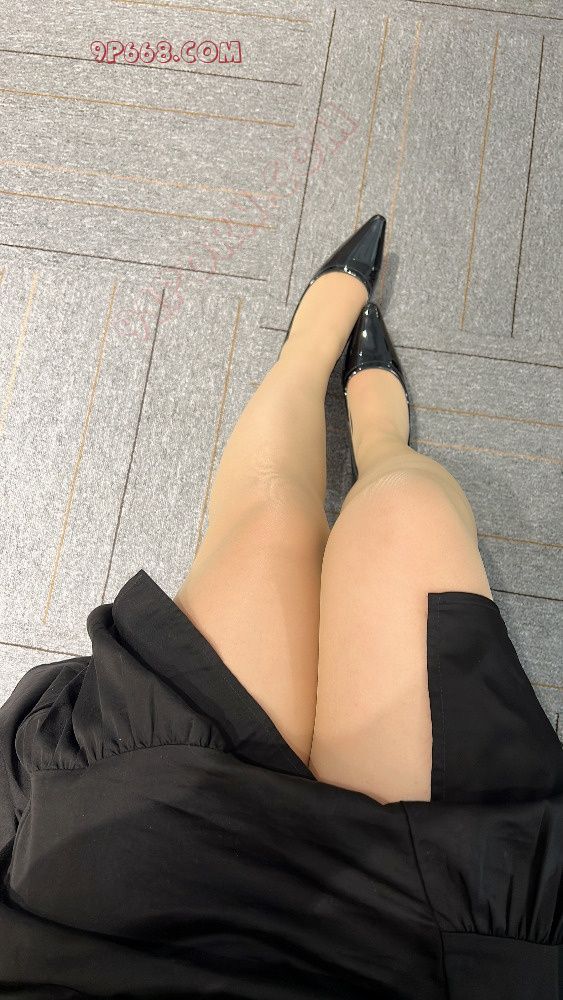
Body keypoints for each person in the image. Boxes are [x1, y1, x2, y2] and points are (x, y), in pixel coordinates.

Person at [0, 215, 561, 998]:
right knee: (404, 510)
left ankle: (305, 355)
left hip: (133, 898)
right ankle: (381, 434)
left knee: (267, 523)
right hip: (420, 950)